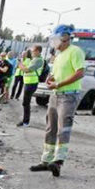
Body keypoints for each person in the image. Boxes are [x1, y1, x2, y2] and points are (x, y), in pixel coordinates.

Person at [33, 25, 85, 177]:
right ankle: (46, 160)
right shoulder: (59, 55)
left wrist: (59, 84)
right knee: (51, 127)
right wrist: (51, 79)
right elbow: (56, 74)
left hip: (68, 95)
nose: (54, 42)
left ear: (64, 38)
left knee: (64, 129)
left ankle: (58, 162)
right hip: (55, 95)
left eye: (55, 39)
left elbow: (80, 73)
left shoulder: (75, 52)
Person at [16, 46, 45, 127]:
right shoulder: (34, 60)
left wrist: (19, 64)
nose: (32, 52)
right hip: (29, 83)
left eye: (33, 51)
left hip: (32, 83)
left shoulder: (38, 60)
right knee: (25, 103)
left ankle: (25, 122)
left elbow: (26, 70)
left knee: (26, 103)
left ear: (38, 51)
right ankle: (25, 120)